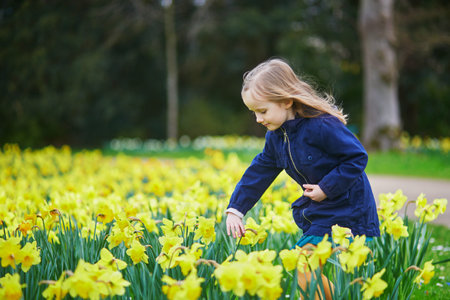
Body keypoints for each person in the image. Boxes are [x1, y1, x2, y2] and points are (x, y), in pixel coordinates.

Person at [225, 58, 380, 299]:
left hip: (351, 211)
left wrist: (327, 188)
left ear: (286, 100)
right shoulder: (276, 138)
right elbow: (259, 172)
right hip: (321, 214)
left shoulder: (322, 126)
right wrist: (236, 209)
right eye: (253, 112)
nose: (257, 119)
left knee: (333, 273)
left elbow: (357, 158)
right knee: (303, 267)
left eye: (262, 110)